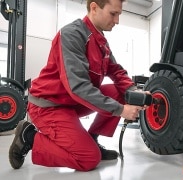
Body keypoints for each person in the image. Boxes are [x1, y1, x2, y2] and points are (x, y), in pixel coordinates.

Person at [9, 0, 148, 171]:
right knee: (88, 158)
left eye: (119, 14)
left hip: (71, 102)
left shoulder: (101, 41)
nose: (117, 20)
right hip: (49, 105)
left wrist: (135, 92)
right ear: (94, 8)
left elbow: (117, 71)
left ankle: (93, 139)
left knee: (118, 91)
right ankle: (29, 136)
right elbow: (79, 88)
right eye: (113, 14)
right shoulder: (72, 35)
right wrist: (121, 110)